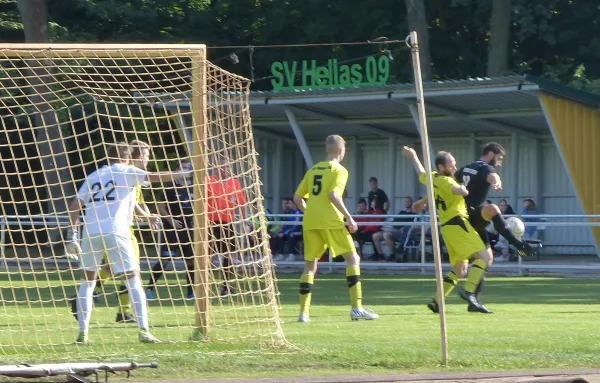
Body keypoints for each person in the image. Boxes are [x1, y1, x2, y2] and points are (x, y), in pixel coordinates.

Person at [65, 142, 191, 344]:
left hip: (91, 232)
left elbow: (74, 206)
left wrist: (71, 236)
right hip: (117, 231)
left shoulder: (95, 175)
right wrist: (182, 174)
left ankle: (83, 334)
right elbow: (154, 177)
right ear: (128, 156)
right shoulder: (127, 171)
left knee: (87, 281)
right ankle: (144, 331)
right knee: (133, 279)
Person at [68, 140, 161, 323]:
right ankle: (123, 311)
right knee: (132, 271)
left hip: (110, 230)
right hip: (120, 230)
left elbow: (136, 202)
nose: (148, 159)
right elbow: (134, 203)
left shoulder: (124, 175)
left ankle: (94, 296)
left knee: (111, 269)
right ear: (137, 156)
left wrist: (147, 216)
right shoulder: (128, 174)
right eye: (147, 155)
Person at [293, 135, 379, 322]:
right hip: (331, 221)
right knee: (353, 258)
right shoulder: (339, 170)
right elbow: (333, 195)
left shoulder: (313, 169)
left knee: (310, 265)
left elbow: (297, 198)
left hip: (311, 222)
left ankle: (303, 313)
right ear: (341, 151)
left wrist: (311, 211)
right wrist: (349, 218)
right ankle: (356, 309)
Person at [402, 146, 491, 314]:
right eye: (452, 165)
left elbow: (421, 172)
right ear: (441, 167)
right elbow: (457, 190)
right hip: (458, 223)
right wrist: (463, 188)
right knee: (485, 257)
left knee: (460, 269)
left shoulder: (434, 178)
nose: (455, 167)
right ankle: (469, 291)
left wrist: (413, 155)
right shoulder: (447, 180)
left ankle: (437, 301)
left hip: (447, 228)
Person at [454, 143, 540, 313]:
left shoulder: (465, 168)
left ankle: (472, 298)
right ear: (491, 154)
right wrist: (496, 183)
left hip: (464, 218)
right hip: (469, 217)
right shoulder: (484, 167)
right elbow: (493, 176)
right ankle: (519, 245)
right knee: (493, 208)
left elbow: (451, 182)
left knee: (487, 259)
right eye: (499, 159)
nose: (499, 163)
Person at [146, 159, 195, 300]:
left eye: (187, 169)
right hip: (172, 230)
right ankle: (149, 289)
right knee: (165, 259)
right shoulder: (170, 187)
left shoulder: (195, 188)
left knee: (191, 261)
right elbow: (161, 207)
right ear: (177, 171)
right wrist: (171, 220)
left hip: (189, 229)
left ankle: (191, 292)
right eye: (182, 168)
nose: (185, 171)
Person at [206, 159, 248, 296]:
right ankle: (205, 286)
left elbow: (242, 204)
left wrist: (245, 222)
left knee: (229, 254)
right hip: (210, 223)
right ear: (217, 168)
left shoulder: (235, 183)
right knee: (208, 255)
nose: (226, 169)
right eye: (223, 166)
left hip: (227, 223)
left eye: (228, 166)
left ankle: (226, 286)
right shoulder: (209, 181)